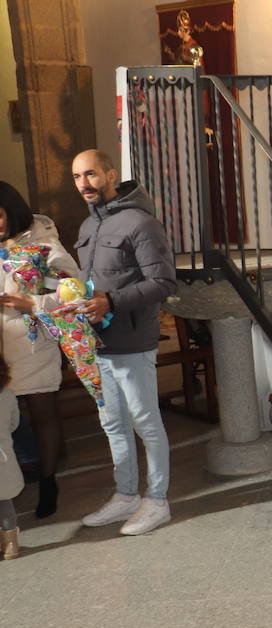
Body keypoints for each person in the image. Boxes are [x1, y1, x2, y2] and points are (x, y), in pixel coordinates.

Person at [70, 149, 177, 536]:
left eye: (91, 174)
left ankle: (157, 500)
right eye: (78, 177)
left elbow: (163, 283)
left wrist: (110, 302)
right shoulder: (87, 227)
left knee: (146, 421)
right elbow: (93, 283)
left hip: (133, 340)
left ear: (110, 174)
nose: (84, 183)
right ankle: (127, 495)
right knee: (113, 422)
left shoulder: (140, 223)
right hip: (98, 342)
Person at [0, 181, 79, 519]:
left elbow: (74, 289)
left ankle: (48, 482)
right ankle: (9, 486)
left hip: (32, 342)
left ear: (12, 211)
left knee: (42, 413)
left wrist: (31, 302)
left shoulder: (43, 242)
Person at [0, 356, 22, 560]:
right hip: (4, 460)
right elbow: (14, 423)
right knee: (5, 503)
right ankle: (11, 545)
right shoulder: (8, 395)